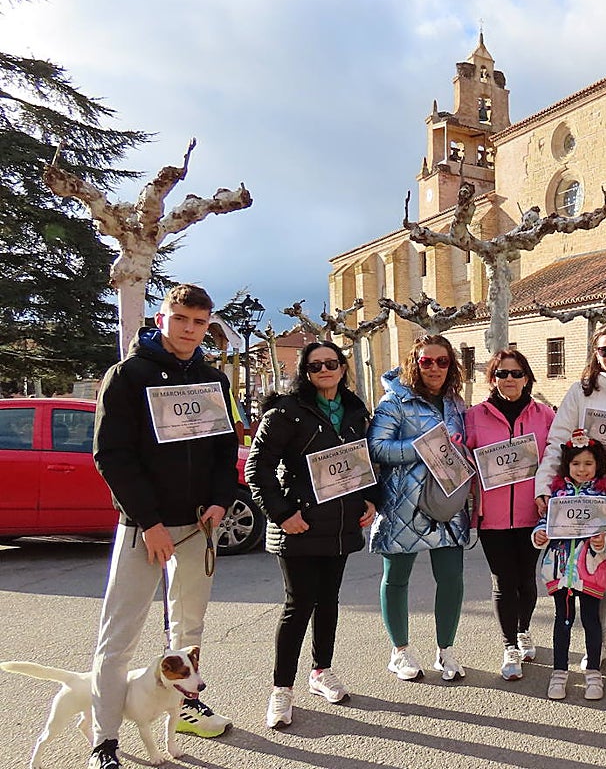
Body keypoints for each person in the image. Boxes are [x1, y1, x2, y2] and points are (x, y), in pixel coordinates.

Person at [88, 284, 237, 769]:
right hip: (143, 528)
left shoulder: (213, 378)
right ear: (161, 319)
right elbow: (111, 455)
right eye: (181, 320)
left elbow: (222, 449)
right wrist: (149, 522)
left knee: (188, 629)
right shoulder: (127, 376)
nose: (190, 330)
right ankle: (105, 739)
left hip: (197, 527)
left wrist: (218, 502)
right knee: (119, 636)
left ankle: (186, 708)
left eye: (199, 322)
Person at [246, 341, 379, 728]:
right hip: (299, 525)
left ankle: (321, 671)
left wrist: (370, 500)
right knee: (297, 605)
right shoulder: (286, 412)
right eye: (315, 365)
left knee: (328, 601)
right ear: (305, 372)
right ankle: (281, 690)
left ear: (342, 367)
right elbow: (258, 468)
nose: (324, 370)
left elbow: (363, 460)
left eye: (331, 363)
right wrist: (284, 514)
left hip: (339, 525)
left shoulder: (355, 410)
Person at [534, 322, 606, 671]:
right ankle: (599, 645)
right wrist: (543, 486)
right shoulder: (580, 392)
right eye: (605, 351)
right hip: (584, 495)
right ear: (595, 355)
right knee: (589, 572)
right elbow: (557, 441)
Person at [369, 335, 470, 682]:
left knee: (452, 578)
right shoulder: (393, 401)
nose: (435, 368)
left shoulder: (456, 404)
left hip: (448, 502)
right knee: (396, 579)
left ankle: (447, 650)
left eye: (442, 362)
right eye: (427, 361)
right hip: (403, 505)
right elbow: (377, 448)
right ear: (415, 363)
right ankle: (400, 652)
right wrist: (423, 446)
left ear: (451, 365)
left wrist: (461, 449)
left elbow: (464, 446)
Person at [465, 349, 556, 680]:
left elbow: (554, 460)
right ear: (492, 379)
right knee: (504, 582)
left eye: (517, 373)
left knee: (526, 579)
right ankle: (509, 646)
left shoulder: (544, 415)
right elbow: (462, 458)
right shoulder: (475, 415)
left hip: (532, 513)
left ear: (527, 377)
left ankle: (523, 630)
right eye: (502, 373)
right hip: (493, 517)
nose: (510, 379)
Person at [532, 433, 606, 701]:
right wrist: (539, 534)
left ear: (598, 465)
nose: (582, 470)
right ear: (567, 467)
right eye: (576, 464)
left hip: (591, 570)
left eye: (588, 464)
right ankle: (559, 672)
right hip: (561, 571)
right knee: (563, 620)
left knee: (592, 621)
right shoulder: (558, 495)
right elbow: (545, 523)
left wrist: (604, 541)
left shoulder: (603, 496)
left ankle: (593, 672)